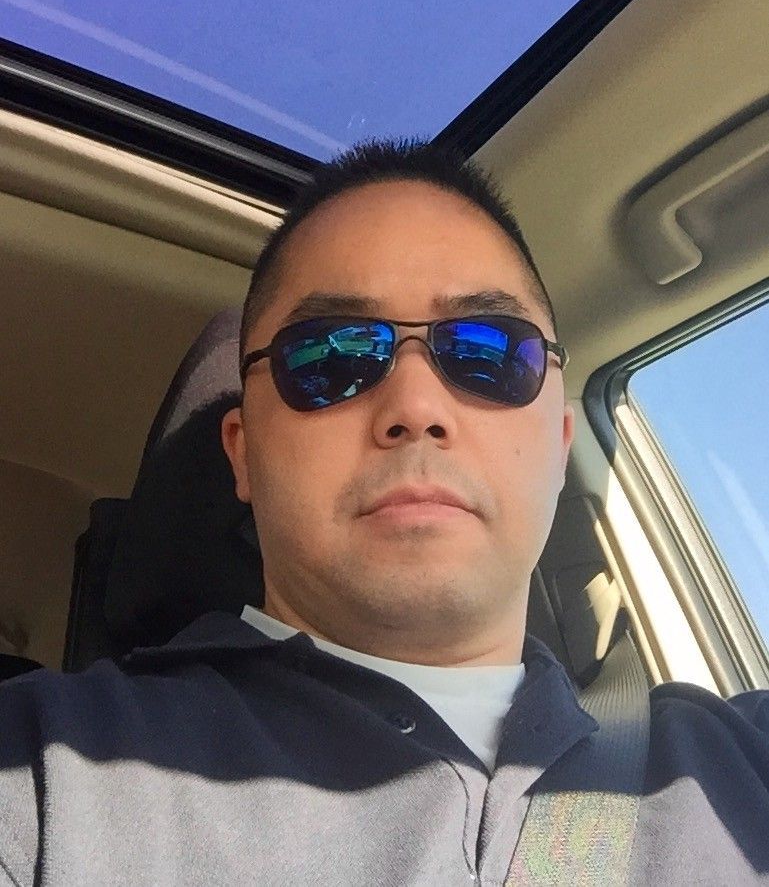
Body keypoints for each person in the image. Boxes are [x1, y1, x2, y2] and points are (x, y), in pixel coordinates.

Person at [1, 139, 768, 886]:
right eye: (331, 355)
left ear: (559, 442)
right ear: (243, 453)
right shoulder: (44, 770)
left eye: (488, 350)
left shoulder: (741, 762)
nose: (415, 405)